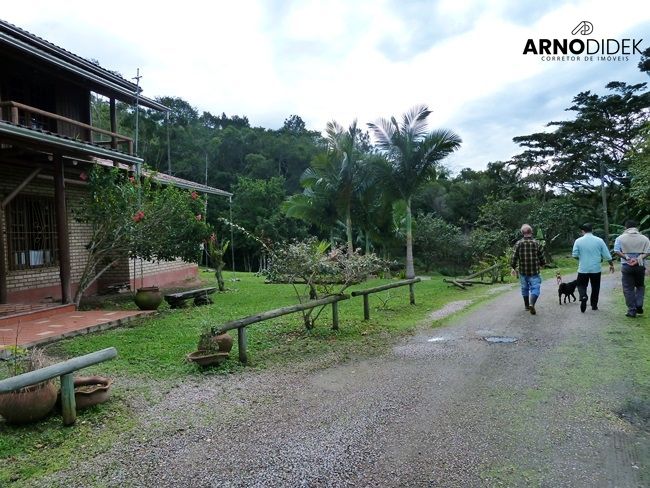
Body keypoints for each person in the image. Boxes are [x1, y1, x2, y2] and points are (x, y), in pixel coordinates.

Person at [571, 223, 614, 313]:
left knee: (581, 285)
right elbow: (607, 255)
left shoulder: (578, 241)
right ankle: (594, 305)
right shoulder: (599, 240)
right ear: (592, 230)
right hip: (596, 269)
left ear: (583, 231)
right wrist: (611, 264)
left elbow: (574, 255)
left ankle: (583, 296)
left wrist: (581, 259)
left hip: (583, 269)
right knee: (595, 287)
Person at [613, 220, 650, 318]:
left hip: (626, 265)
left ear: (626, 228)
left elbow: (616, 250)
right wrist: (638, 259)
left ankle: (632, 310)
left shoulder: (620, 238)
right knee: (640, 286)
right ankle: (639, 304)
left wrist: (627, 258)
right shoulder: (644, 238)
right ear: (636, 227)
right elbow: (648, 252)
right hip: (640, 266)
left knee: (628, 288)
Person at [510, 224, 545, 315]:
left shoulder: (518, 243)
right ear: (531, 232)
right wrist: (542, 264)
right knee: (535, 287)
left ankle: (526, 306)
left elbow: (514, 257)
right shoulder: (537, 243)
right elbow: (542, 257)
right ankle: (531, 304)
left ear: (522, 233)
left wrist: (513, 267)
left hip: (523, 272)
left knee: (524, 288)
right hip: (534, 272)